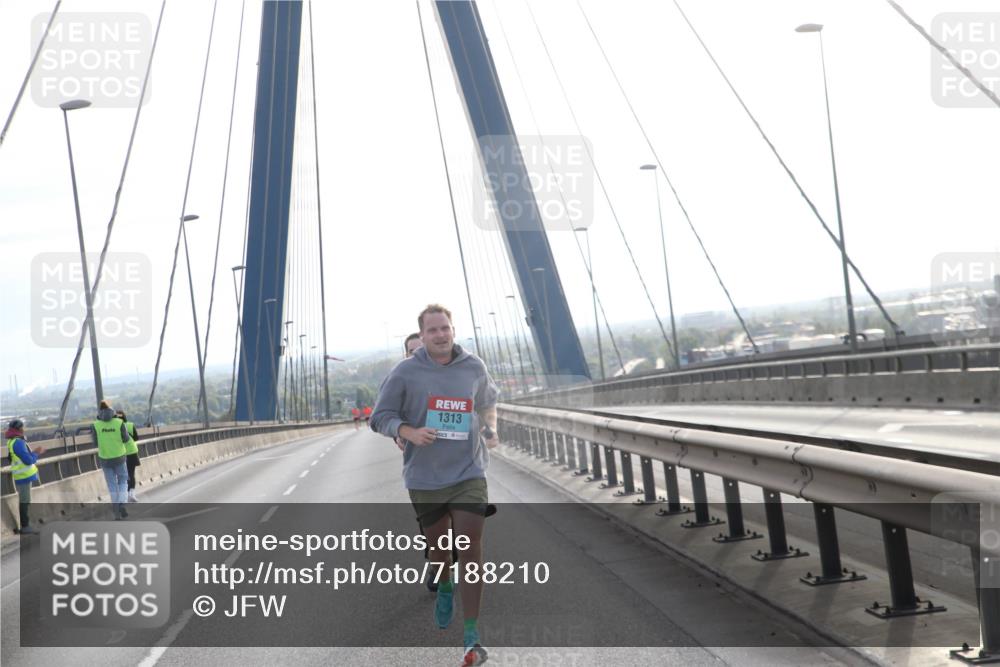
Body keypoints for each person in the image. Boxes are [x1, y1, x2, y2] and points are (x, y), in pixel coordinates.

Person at [371, 304, 499, 666]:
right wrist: (408, 431)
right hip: (425, 477)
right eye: (433, 330)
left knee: (470, 546)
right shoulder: (405, 372)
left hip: (469, 472)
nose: (440, 335)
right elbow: (381, 417)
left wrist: (491, 428)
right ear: (422, 336)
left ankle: (471, 638)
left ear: (453, 329)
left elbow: (488, 401)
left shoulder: (473, 366)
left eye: (445, 328)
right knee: (441, 551)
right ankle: (444, 583)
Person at [91, 400, 130, 520]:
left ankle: (117, 513)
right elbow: (126, 439)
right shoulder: (119, 422)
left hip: (105, 458)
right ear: (111, 409)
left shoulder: (95, 425)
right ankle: (122, 502)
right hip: (119, 457)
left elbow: (95, 442)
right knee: (123, 480)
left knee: (112, 485)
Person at [6, 419, 44, 535]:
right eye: (22, 427)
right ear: (19, 429)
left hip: (21, 476)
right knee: (25, 501)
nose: (24, 429)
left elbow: (11, 458)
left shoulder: (12, 442)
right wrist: (36, 453)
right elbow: (28, 460)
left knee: (25, 500)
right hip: (24, 477)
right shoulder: (18, 442)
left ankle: (25, 526)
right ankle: (26, 526)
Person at [116, 410, 141, 503]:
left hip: (120, 453)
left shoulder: (115, 427)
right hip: (132, 452)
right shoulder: (130, 425)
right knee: (131, 474)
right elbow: (136, 438)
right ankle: (132, 494)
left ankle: (124, 496)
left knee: (122, 475)